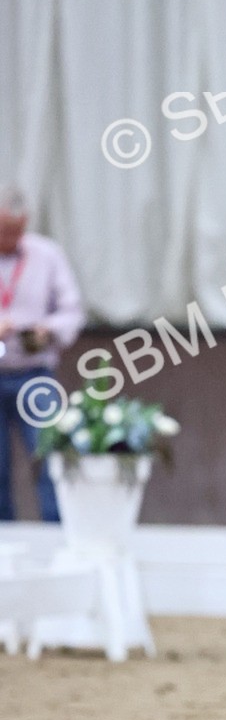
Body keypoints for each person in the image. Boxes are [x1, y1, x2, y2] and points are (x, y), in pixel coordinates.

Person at [0, 184, 85, 520]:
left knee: (51, 459)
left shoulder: (46, 254)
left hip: (34, 373)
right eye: (4, 230)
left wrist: (48, 329)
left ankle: (58, 535)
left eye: (16, 230)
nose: (10, 237)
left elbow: (73, 311)